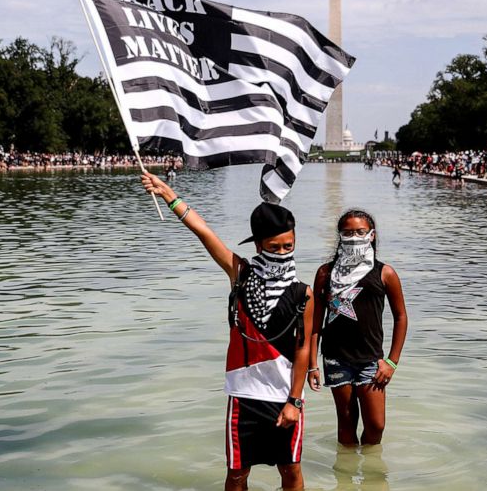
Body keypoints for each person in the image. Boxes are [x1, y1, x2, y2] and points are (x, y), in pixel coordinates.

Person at [140, 172, 314, 491]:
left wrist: (295, 401)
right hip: (244, 395)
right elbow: (204, 232)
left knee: (291, 472)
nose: (282, 253)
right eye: (274, 247)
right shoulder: (241, 275)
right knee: (237, 474)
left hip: (285, 397)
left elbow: (303, 348)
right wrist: (168, 194)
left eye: (289, 245)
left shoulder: (304, 293)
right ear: (259, 245)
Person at [308, 209, 407, 447]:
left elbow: (401, 317)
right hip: (336, 358)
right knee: (346, 422)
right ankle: (346, 478)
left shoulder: (385, 273)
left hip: (371, 360)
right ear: (339, 236)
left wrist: (392, 362)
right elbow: (315, 323)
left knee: (376, 426)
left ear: (372, 235)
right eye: (348, 232)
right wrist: (312, 365)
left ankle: (372, 476)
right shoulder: (325, 273)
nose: (354, 237)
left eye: (360, 232)